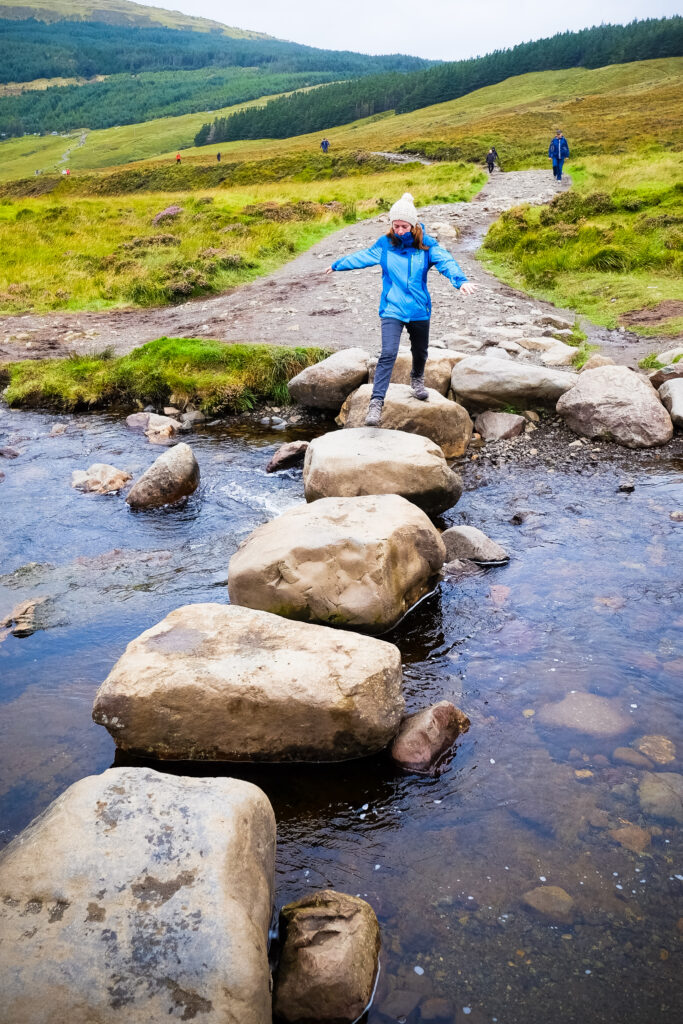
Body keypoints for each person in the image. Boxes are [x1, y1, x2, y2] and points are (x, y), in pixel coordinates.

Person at [325, 192, 476, 427]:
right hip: (392, 308)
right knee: (388, 353)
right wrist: (337, 265)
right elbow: (363, 256)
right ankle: (376, 404)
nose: (399, 230)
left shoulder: (427, 245)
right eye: (395, 225)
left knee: (420, 351)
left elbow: (446, 262)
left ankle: (417, 379)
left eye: (404, 226)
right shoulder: (386, 244)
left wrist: (461, 281)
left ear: (413, 224)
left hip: (418, 310)